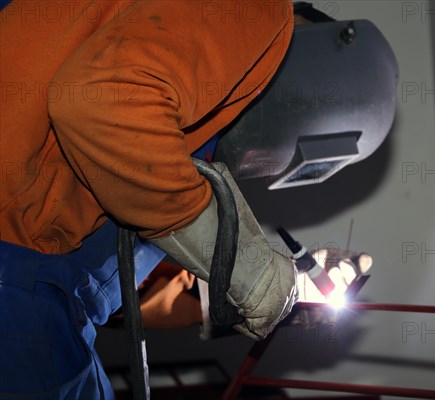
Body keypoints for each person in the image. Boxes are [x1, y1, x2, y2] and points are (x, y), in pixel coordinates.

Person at [1, 1, 349, 398]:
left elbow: (122, 294)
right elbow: (103, 101)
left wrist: (282, 289)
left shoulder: (169, 125)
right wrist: (257, 278)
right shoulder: (259, 13)